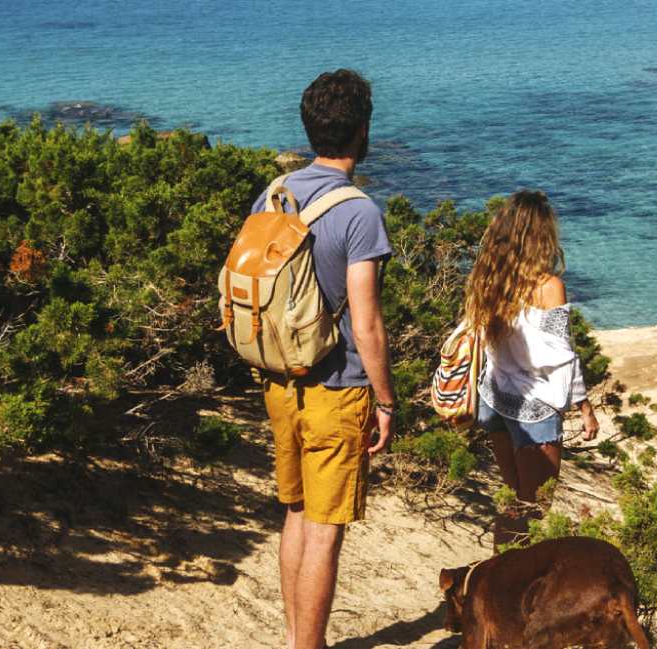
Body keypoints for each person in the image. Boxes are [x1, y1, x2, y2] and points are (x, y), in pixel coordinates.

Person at [253, 69, 395, 649]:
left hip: (280, 380)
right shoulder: (360, 212)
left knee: (295, 513)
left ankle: (294, 639)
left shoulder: (273, 194)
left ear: (310, 127)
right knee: (325, 529)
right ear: (363, 129)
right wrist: (386, 401)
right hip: (339, 389)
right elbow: (366, 322)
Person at [463, 190, 600, 549]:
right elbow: (562, 356)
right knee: (535, 511)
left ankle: (496, 579)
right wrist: (584, 407)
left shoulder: (487, 282)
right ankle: (514, 595)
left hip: (493, 400)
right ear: (542, 236)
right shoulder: (548, 287)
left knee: (512, 500)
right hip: (534, 409)